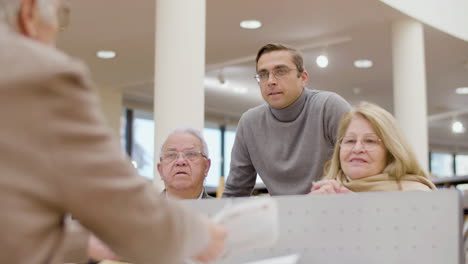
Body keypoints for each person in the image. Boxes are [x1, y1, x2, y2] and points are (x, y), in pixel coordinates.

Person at [0, 0, 226, 263]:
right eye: (59, 17)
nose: (181, 162)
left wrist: (83, 244)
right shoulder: (39, 74)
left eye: (190, 154)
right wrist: (197, 235)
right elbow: (118, 205)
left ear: (207, 165)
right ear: (29, 12)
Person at [223, 43, 351, 197]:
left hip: (335, 211)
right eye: (263, 74)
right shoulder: (250, 122)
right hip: (282, 217)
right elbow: (236, 192)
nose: (271, 81)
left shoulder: (329, 107)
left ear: (303, 78)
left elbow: (364, 172)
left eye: (280, 71)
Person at [310, 102, 436, 194]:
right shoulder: (325, 193)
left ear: (391, 151)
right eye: (350, 140)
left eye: (370, 141)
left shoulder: (416, 194)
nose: (357, 149)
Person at [158, 128, 214, 199]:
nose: (180, 162)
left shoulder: (224, 209)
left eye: (190, 154)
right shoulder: (142, 209)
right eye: (171, 155)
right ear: (160, 170)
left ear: (206, 167)